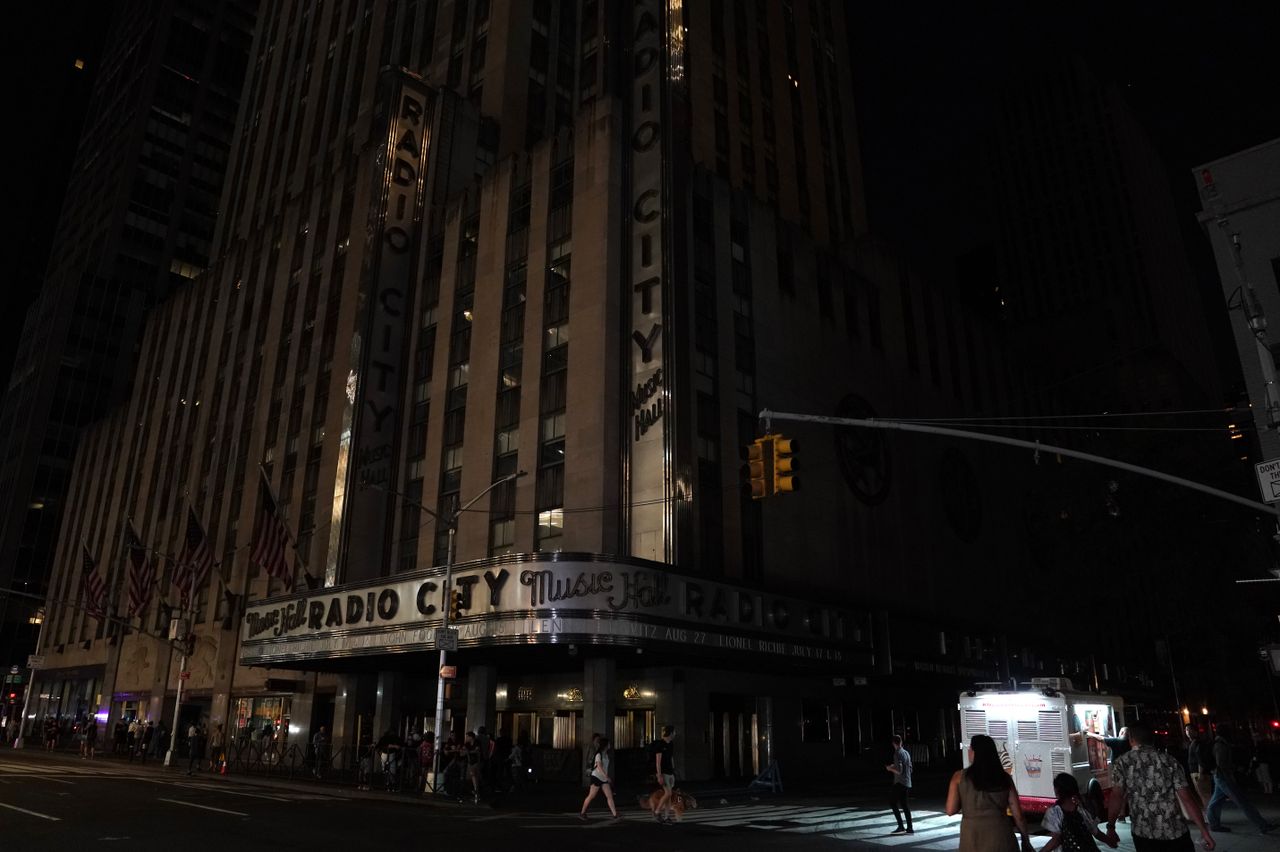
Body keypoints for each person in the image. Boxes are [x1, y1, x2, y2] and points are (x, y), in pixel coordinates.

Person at [1106, 722, 1216, 852]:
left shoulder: (1122, 763)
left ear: (1131, 739)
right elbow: (1187, 799)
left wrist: (1111, 827)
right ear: (1152, 739)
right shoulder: (1169, 761)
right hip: (1175, 831)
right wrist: (1204, 831)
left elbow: (1116, 796)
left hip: (1144, 833)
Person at [944, 733, 1034, 852]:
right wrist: (1025, 840)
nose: (969, 751)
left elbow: (950, 810)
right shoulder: (1004, 778)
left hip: (972, 839)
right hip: (1002, 837)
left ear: (975, 752)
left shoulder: (959, 777)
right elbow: (1018, 815)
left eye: (971, 749)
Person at [1205, 724, 1275, 834]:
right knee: (1243, 802)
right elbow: (1222, 764)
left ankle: (1214, 824)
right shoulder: (1221, 744)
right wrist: (1234, 771)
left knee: (1216, 802)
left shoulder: (1219, 743)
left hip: (1220, 776)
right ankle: (1262, 825)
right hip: (1224, 777)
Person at [1041, 773, 1117, 852]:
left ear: (1057, 790)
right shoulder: (1081, 809)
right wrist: (1109, 841)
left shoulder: (1055, 812)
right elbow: (1096, 832)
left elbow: (1056, 840)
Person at [579, 736, 621, 820]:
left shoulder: (606, 754)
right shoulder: (599, 754)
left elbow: (604, 767)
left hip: (603, 778)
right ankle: (582, 813)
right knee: (591, 796)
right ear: (605, 745)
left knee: (609, 796)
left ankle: (615, 814)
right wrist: (607, 777)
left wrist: (606, 777)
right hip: (597, 777)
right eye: (609, 743)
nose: (610, 745)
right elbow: (599, 767)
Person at [886, 733, 914, 835]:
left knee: (892, 802)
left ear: (893, 743)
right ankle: (909, 828)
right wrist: (895, 765)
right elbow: (910, 768)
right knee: (905, 805)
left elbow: (899, 771)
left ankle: (901, 826)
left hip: (900, 783)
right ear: (901, 742)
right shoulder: (906, 753)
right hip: (907, 782)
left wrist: (890, 768)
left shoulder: (897, 753)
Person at [650, 726, 677, 824]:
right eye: (674, 732)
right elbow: (658, 762)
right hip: (663, 773)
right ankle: (657, 811)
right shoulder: (660, 745)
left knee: (669, 796)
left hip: (670, 772)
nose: (675, 734)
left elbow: (671, 757)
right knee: (668, 793)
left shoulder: (671, 744)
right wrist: (659, 775)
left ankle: (667, 817)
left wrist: (673, 771)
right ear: (670, 733)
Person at [1184, 725, 1213, 807]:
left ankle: (1211, 816)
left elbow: (1200, 759)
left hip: (1198, 773)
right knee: (1204, 795)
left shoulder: (1196, 743)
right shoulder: (1193, 743)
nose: (1188, 732)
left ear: (1195, 732)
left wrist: (1201, 773)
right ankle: (1211, 815)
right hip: (1197, 773)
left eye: (1190, 730)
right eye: (1186, 730)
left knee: (1205, 795)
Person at [377, 727, 404, 792]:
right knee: (391, 769)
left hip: (385, 753)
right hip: (390, 753)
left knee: (386, 769)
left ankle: (388, 783)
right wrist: (394, 746)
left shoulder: (384, 738)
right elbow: (400, 745)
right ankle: (391, 784)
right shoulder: (394, 738)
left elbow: (379, 745)